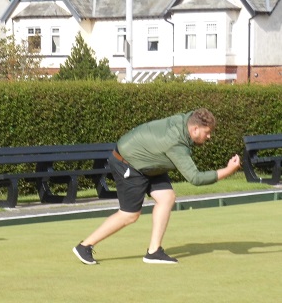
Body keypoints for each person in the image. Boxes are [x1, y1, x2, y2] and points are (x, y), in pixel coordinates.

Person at [73, 108, 241, 265]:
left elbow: (196, 113)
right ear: (195, 129)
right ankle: (84, 246)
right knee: (130, 215)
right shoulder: (176, 144)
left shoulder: (186, 120)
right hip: (128, 162)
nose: (209, 137)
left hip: (150, 161)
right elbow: (195, 178)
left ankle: (153, 252)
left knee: (166, 197)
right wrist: (228, 170)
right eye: (208, 132)